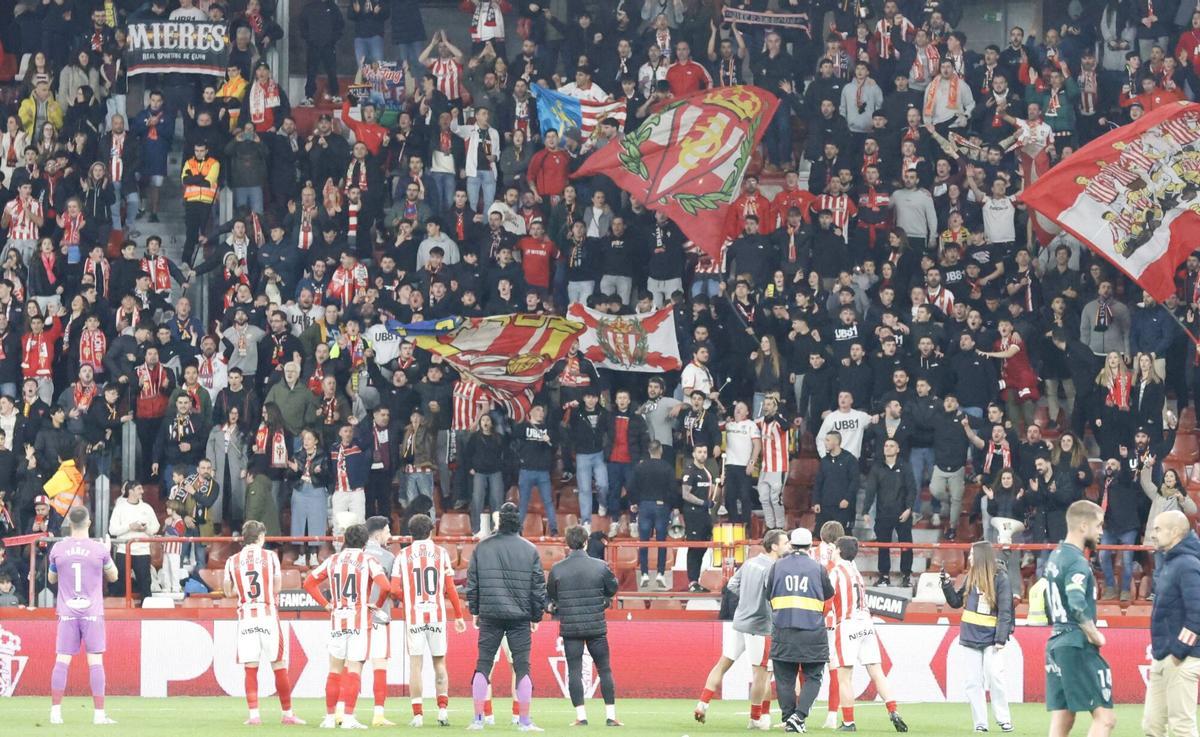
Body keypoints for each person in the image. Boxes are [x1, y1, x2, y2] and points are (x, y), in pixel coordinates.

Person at [694, 529, 789, 729]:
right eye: (785, 542)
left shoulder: (750, 562)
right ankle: (756, 718)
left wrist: (747, 601)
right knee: (762, 675)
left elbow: (732, 586)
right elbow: (773, 596)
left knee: (722, 664)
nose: (788, 546)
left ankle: (702, 704)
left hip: (739, 623)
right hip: (760, 626)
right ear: (774, 546)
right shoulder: (773, 568)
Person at [303, 523, 392, 730]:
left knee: (334, 670)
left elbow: (308, 582)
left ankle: (328, 717)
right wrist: (376, 606)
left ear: (345, 541)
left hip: (337, 621)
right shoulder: (369, 560)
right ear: (364, 542)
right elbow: (386, 586)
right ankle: (349, 717)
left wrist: (326, 604)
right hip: (359, 623)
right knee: (354, 670)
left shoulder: (333, 560)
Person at [466, 502, 546, 731]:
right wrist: (536, 616)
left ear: (498, 522)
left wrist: (475, 611)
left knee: (483, 664)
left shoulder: (482, 547)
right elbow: (537, 587)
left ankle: (478, 719)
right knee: (522, 667)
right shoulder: (529, 549)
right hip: (520, 617)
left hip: (490, 614)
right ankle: (524, 721)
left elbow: (473, 584)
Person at [1043, 500, 1117, 737]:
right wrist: (1095, 634)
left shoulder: (1055, 556)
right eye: (1099, 526)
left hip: (1055, 641)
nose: (1101, 532)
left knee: (1063, 715)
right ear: (1084, 526)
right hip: (1075, 642)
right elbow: (1076, 604)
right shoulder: (1077, 561)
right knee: (1105, 718)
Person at [222, 519, 302, 725]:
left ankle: (254, 716)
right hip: (267, 615)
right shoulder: (271, 556)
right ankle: (287, 714)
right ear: (260, 537)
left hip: (246, 617)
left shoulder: (232, 560)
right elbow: (276, 589)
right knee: (279, 665)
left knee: (250, 667)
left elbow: (227, 591)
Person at [390, 513, 466, 727]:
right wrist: (459, 615)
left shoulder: (402, 556)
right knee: (439, 662)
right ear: (431, 531)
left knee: (416, 664)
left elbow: (394, 590)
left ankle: (418, 715)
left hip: (414, 617)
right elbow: (450, 587)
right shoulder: (441, 553)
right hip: (437, 615)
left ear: (410, 534)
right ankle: (442, 711)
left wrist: (410, 600)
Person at [827, 535, 908, 732]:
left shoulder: (836, 572)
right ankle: (893, 709)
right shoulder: (856, 572)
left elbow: (827, 600)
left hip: (847, 624)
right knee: (877, 672)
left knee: (844, 676)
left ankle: (848, 722)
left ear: (838, 550)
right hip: (867, 624)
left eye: (834, 548)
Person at [48, 506, 119, 726]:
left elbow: (51, 579)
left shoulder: (58, 549)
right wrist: (108, 550)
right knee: (95, 661)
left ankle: (55, 713)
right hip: (92, 612)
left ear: (70, 523)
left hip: (67, 611)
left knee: (62, 660)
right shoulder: (99, 549)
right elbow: (114, 576)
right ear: (89, 523)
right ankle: (99, 715)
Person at [547, 525, 621, 727]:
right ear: (586, 542)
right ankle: (611, 716)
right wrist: (603, 599)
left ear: (568, 544)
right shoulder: (600, 566)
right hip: (596, 626)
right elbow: (613, 588)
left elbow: (552, 595)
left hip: (571, 627)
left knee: (574, 671)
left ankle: (581, 717)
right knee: (604, 669)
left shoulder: (558, 569)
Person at [941, 541, 1014, 733]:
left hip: (992, 638)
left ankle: (1003, 718)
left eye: (972, 554)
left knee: (995, 677)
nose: (970, 557)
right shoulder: (970, 576)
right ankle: (980, 723)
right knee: (973, 682)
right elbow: (956, 602)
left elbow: (1006, 610)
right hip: (970, 635)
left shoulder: (1001, 578)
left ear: (981, 556)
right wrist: (946, 585)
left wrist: (1000, 638)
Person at [768, 528, 834, 733]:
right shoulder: (818, 568)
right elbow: (828, 595)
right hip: (812, 630)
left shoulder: (777, 566)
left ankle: (790, 719)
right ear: (810, 546)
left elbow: (768, 594)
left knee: (784, 678)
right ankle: (799, 716)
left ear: (791, 544)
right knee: (814, 676)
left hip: (783, 628)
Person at [1144, 510, 1200, 737]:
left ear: (1175, 532)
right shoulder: (1171, 563)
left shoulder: (1187, 564)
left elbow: (1197, 614)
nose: (1153, 534)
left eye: (1157, 529)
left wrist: (1179, 651)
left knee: (1181, 728)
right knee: (1152, 727)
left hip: (1180, 659)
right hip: (1163, 656)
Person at [363, 516, 397, 726]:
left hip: (355, 618)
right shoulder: (387, 557)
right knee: (380, 665)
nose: (390, 535)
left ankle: (341, 712)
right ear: (378, 534)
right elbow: (391, 588)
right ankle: (378, 714)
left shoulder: (353, 555)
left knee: (351, 665)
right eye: (387, 531)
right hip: (379, 616)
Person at [107, 482, 160, 600]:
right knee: (121, 582)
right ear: (130, 491)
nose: (142, 491)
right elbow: (112, 530)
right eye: (139, 489)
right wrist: (130, 527)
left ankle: (145, 608)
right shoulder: (120, 508)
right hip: (123, 551)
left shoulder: (147, 508)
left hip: (143, 551)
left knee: (145, 583)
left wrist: (146, 529)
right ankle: (120, 610)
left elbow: (156, 527)